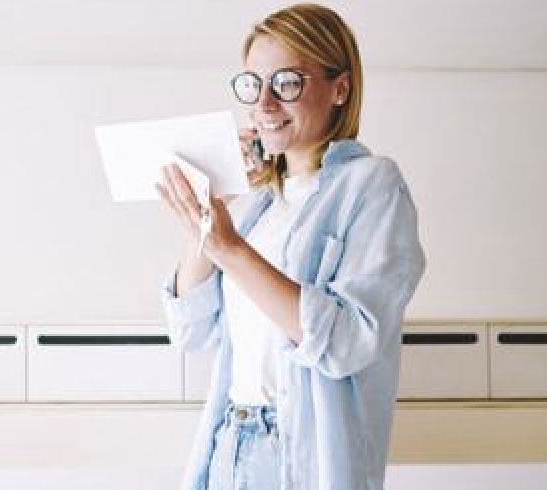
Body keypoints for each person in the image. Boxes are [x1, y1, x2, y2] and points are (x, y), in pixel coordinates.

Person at [155, 4, 426, 490]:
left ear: (340, 87)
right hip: (227, 442)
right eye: (253, 84)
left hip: (296, 453)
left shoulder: (372, 184)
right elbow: (191, 331)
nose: (264, 104)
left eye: (287, 83)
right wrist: (211, 206)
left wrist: (231, 248)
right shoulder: (259, 202)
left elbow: (348, 340)